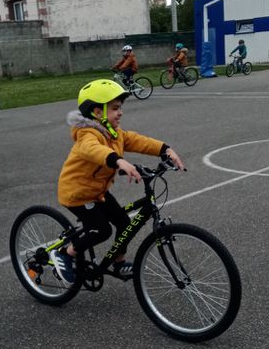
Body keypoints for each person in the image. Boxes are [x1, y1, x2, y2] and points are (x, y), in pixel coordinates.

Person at [52, 79, 185, 285]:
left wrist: (165, 149)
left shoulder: (115, 134)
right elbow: (93, 150)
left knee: (124, 222)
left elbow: (137, 140)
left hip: (98, 192)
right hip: (77, 193)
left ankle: (119, 261)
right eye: (115, 108)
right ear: (97, 113)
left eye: (120, 108)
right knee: (102, 230)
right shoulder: (86, 134)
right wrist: (119, 161)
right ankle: (66, 254)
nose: (120, 112)